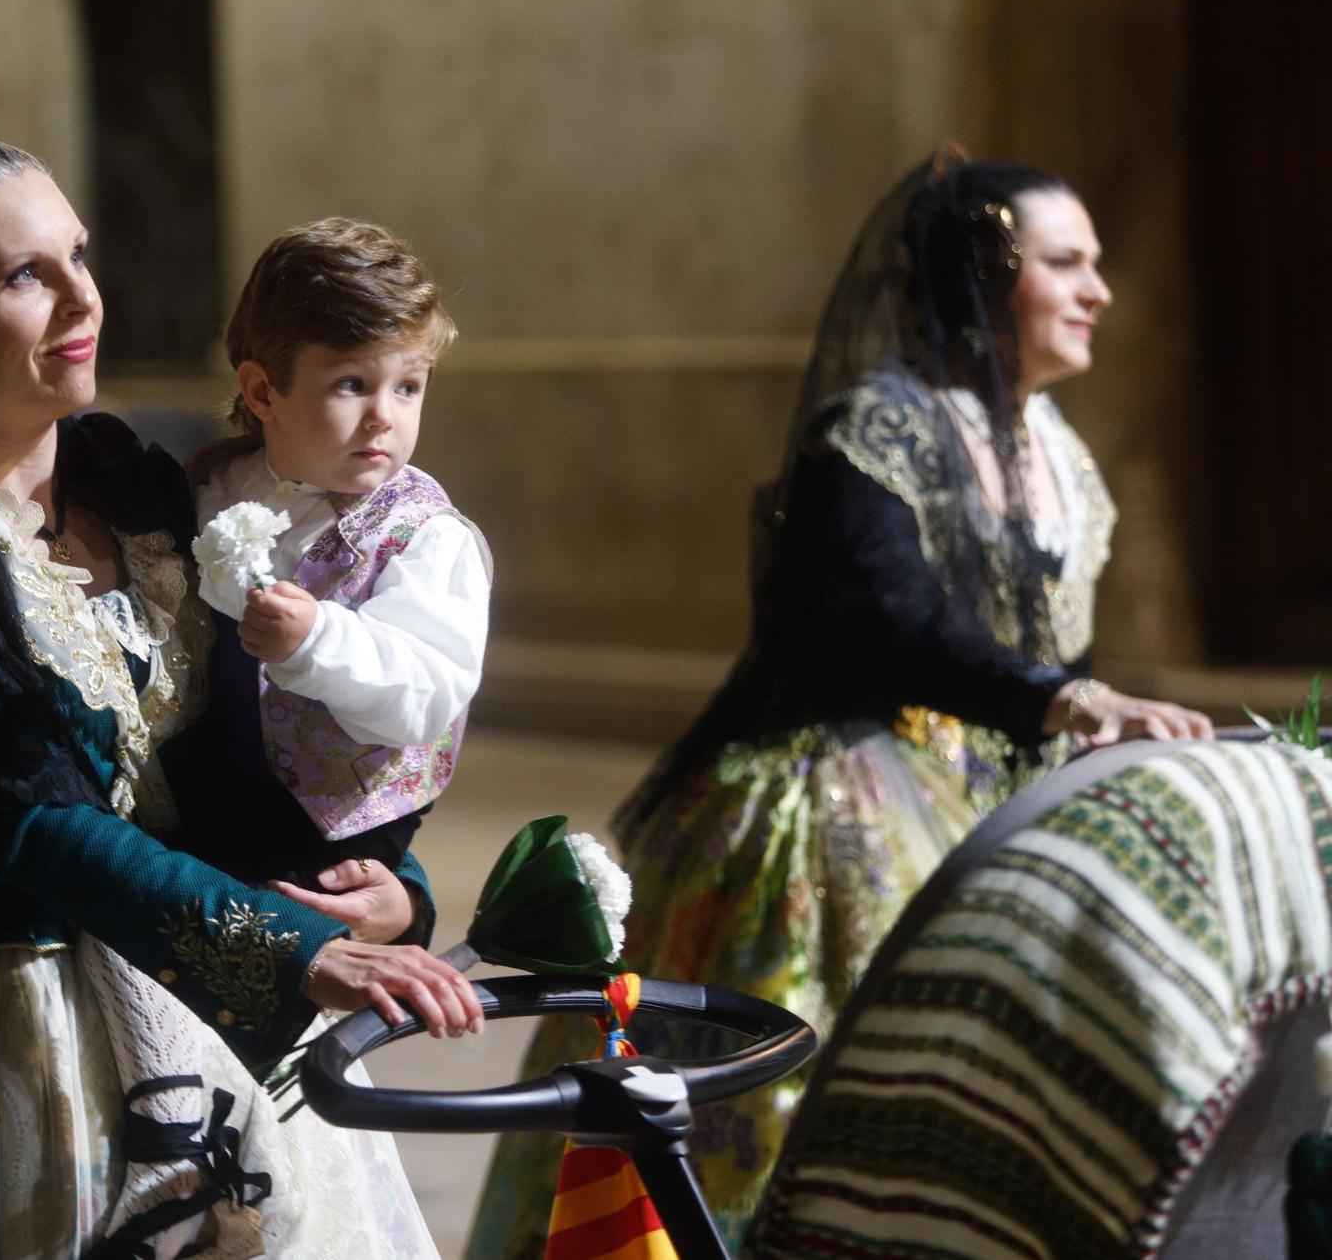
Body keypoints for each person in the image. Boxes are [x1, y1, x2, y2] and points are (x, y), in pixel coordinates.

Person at [0, 125, 481, 1258]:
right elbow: (34, 824)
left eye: (80, 256)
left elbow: (247, 749)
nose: (84, 300)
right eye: (26, 275)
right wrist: (282, 948)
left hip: (215, 1020)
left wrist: (386, 892)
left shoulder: (142, 488)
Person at [467, 150, 1215, 1253]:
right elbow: (877, 617)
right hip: (839, 809)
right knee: (790, 1103)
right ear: (978, 277)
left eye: (1094, 263)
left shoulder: (1058, 449)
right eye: (1065, 263)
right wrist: (1061, 697)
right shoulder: (872, 430)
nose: (1097, 290)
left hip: (987, 798)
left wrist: (1078, 722)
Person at [162, 218, 491, 888]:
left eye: (408, 385)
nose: (384, 417)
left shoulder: (426, 535)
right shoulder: (217, 481)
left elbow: (426, 693)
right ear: (261, 392)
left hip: (341, 822)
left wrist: (318, 639)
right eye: (351, 384)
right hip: (221, 784)